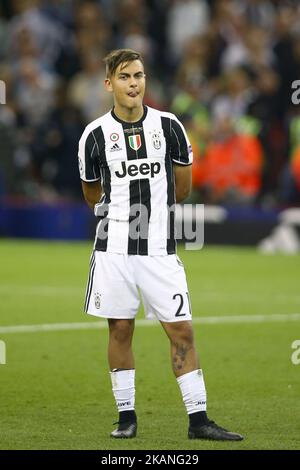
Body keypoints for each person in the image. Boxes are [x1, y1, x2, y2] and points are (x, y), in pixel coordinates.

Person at [78, 48, 244, 441]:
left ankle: (198, 421)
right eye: (124, 77)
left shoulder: (170, 127)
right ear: (109, 84)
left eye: (138, 75)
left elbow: (183, 187)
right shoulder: (94, 135)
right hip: (113, 247)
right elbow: (91, 194)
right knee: (120, 330)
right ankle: (126, 417)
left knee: (182, 331)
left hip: (159, 248)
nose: (133, 83)